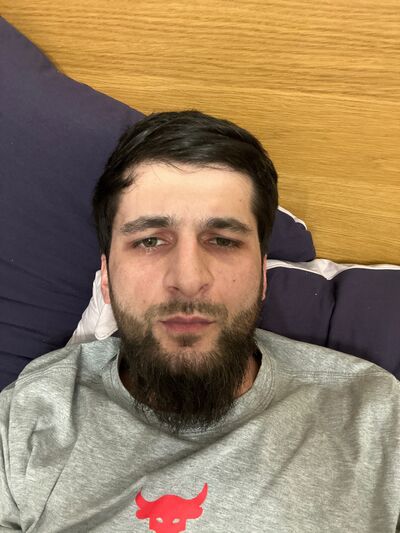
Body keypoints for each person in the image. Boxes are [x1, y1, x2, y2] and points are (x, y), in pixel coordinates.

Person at [0, 110, 399, 533]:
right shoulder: (29, 415)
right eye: (149, 240)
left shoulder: (375, 418)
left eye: (223, 240)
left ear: (262, 276)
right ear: (107, 277)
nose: (188, 279)